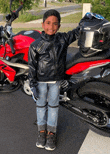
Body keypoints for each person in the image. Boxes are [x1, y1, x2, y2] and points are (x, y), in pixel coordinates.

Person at [28, 9, 80, 151]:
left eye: (55, 24)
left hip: (56, 82)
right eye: (48, 23)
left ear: (59, 26)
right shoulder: (35, 45)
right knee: (40, 107)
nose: (51, 27)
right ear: (42, 24)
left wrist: (87, 20)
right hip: (41, 82)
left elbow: (76, 32)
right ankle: (41, 132)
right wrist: (32, 85)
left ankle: (51, 133)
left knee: (53, 107)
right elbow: (32, 67)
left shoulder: (63, 39)